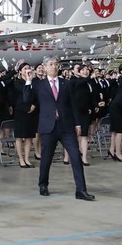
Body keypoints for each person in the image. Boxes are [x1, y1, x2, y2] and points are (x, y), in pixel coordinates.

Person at [36, 57, 95, 201]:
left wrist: (77, 124)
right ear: (45, 67)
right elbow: (27, 99)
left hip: (66, 126)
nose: (54, 67)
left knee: (75, 156)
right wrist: (27, 81)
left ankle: (81, 190)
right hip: (49, 126)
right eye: (51, 64)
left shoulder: (66, 83)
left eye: (56, 64)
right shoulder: (39, 85)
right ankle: (43, 185)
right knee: (46, 158)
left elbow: (72, 105)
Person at [11, 62, 38, 168]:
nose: (27, 70)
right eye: (25, 68)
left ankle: (27, 158)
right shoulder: (17, 82)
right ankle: (21, 159)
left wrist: (34, 106)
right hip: (21, 111)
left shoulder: (34, 82)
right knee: (19, 137)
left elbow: (37, 95)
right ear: (20, 71)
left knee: (29, 137)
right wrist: (28, 80)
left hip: (32, 110)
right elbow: (23, 93)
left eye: (29, 68)